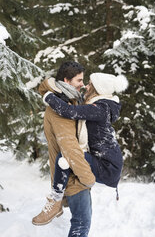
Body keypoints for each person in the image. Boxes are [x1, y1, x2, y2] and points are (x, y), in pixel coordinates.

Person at [42, 72, 129, 210]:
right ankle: (64, 197)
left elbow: (69, 111)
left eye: (90, 85)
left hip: (107, 167)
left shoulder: (100, 108)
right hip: (106, 162)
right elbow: (80, 105)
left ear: (97, 89)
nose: (86, 87)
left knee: (66, 157)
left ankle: (56, 199)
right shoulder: (99, 104)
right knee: (68, 161)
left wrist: (48, 95)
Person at [32, 61, 95, 237]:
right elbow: (69, 146)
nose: (82, 84)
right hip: (72, 175)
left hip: (72, 169)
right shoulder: (59, 107)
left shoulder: (69, 100)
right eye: (79, 80)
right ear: (66, 80)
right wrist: (87, 177)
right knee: (81, 223)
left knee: (81, 222)